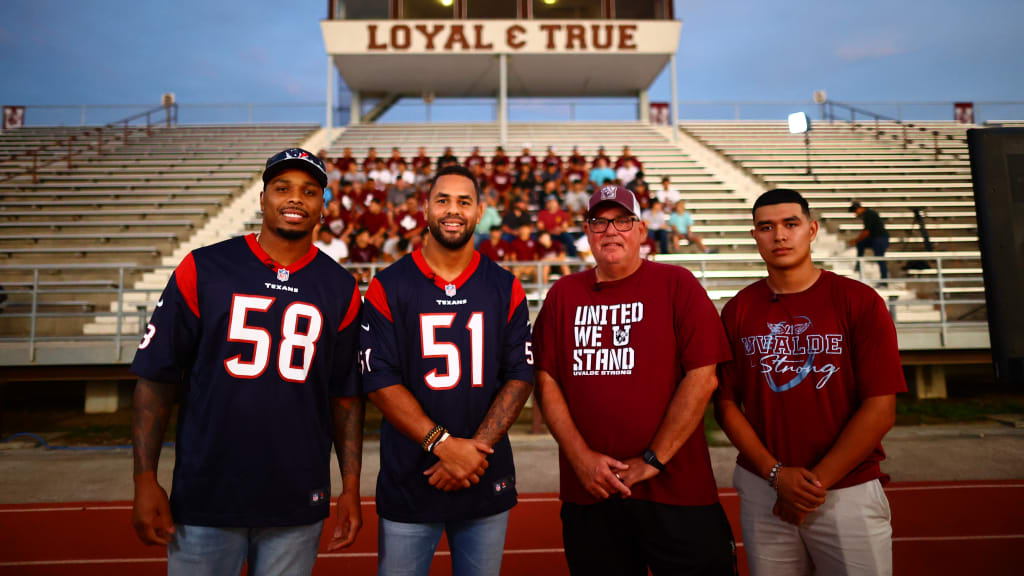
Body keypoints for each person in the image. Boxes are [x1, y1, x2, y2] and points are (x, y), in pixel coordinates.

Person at [130, 148, 364, 575]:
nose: (295, 198)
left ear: (322, 209)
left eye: (309, 191)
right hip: (207, 493)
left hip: (297, 495)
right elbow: (156, 378)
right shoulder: (203, 267)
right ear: (262, 199)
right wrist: (145, 478)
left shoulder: (342, 288)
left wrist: (350, 486)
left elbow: (345, 396)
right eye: (282, 188)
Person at [533, 184, 737, 575]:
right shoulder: (563, 295)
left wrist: (653, 459)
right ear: (587, 232)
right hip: (590, 491)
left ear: (642, 230)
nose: (611, 231)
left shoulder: (678, 284)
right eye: (599, 222)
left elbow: (703, 378)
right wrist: (580, 458)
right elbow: (546, 378)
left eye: (623, 221)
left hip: (677, 490)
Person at [715, 188, 906, 576]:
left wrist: (807, 488)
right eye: (766, 227)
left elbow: (880, 408)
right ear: (755, 235)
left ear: (812, 229)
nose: (779, 236)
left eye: (791, 224)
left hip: (846, 489)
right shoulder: (738, 308)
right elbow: (725, 404)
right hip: (763, 488)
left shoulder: (859, 301)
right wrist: (775, 475)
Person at [359, 164, 535, 576]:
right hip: (410, 477)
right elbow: (379, 379)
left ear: (479, 212)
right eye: (442, 200)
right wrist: (444, 446)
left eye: (463, 201)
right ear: (424, 208)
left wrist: (470, 455)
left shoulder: (505, 286)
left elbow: (520, 376)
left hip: (482, 475)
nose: (452, 210)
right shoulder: (389, 285)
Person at [848, 202, 890, 280]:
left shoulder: (868, 214)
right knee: (861, 244)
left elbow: (867, 231)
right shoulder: (867, 214)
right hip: (875, 238)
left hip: (880, 238)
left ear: (859, 209)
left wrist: (856, 240)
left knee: (880, 259)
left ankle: (884, 280)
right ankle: (858, 265)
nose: (856, 214)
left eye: (855, 211)